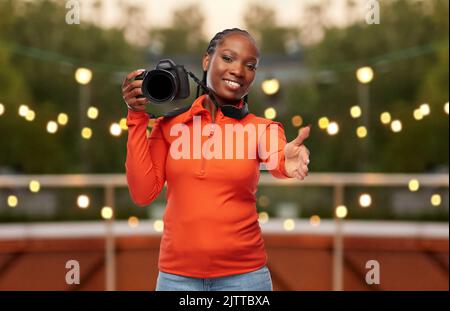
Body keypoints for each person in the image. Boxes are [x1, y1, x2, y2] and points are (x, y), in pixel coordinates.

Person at [122, 28, 310, 291]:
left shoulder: (262, 128)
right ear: (207, 61)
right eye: (229, 58)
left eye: (250, 65)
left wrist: (285, 161)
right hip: (176, 280)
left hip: (245, 280)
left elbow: (277, 156)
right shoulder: (168, 127)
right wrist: (136, 116)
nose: (239, 70)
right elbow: (142, 193)